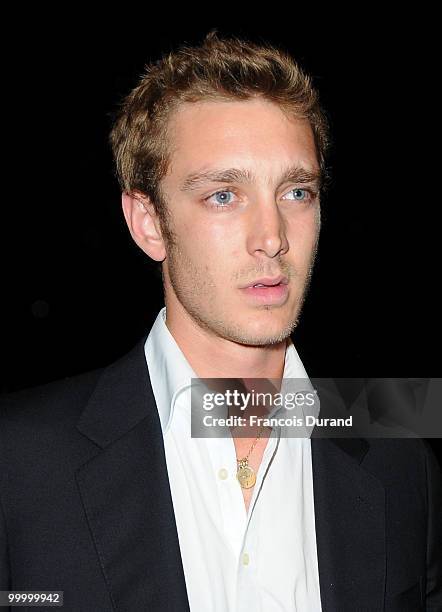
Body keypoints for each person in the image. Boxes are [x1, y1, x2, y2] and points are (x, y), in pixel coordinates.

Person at [0, 30, 440, 612]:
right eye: (224, 196)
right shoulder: (19, 461)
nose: (272, 238)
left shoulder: (399, 455)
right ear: (148, 222)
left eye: (297, 191)